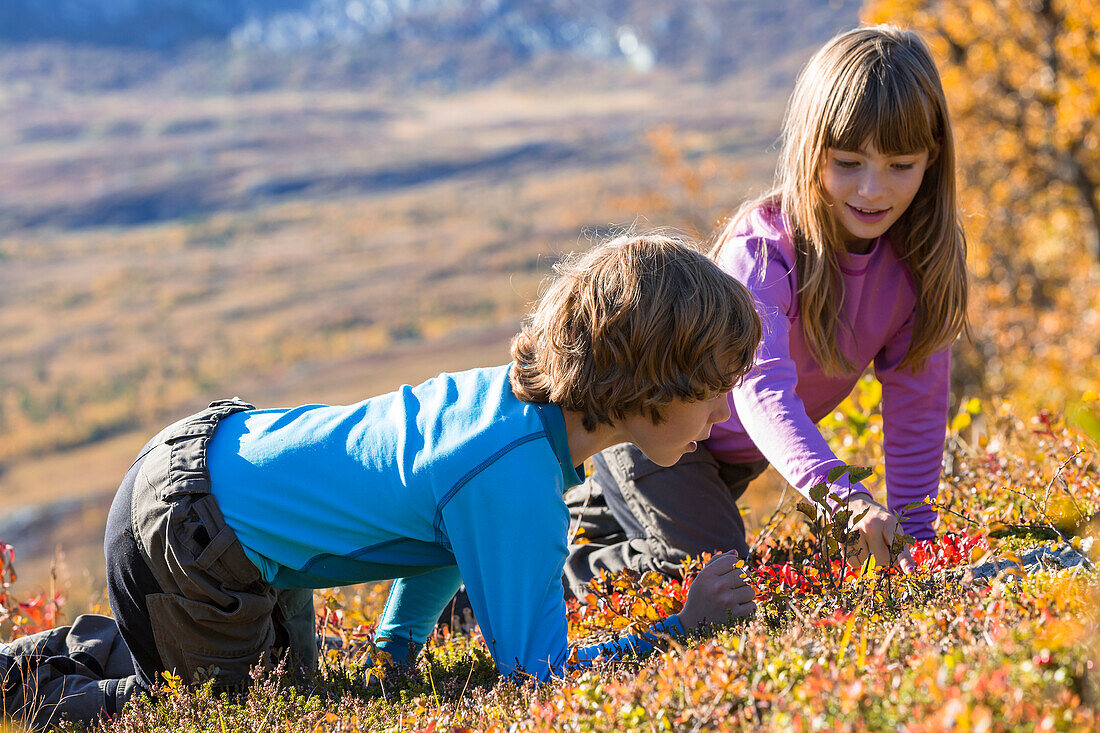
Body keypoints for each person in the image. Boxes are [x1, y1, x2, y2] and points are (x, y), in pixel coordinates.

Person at [101, 231, 763, 701]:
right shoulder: (516, 476)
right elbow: (539, 680)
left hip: (206, 479)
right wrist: (683, 627)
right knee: (199, 711)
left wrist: (395, 652)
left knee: (299, 688)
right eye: (712, 391)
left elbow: (448, 528)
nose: (721, 414)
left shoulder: (513, 416)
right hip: (190, 532)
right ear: (650, 385)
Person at [564, 25, 969, 598]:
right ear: (811, 148)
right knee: (714, 574)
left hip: (728, 457)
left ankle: (584, 513)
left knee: (682, 541)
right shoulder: (763, 250)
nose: (873, 190)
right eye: (849, 161)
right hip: (655, 427)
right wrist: (842, 497)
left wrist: (919, 543)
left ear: (932, 157)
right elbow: (761, 388)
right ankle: (531, 585)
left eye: (900, 165)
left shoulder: (918, 264)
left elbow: (917, 409)